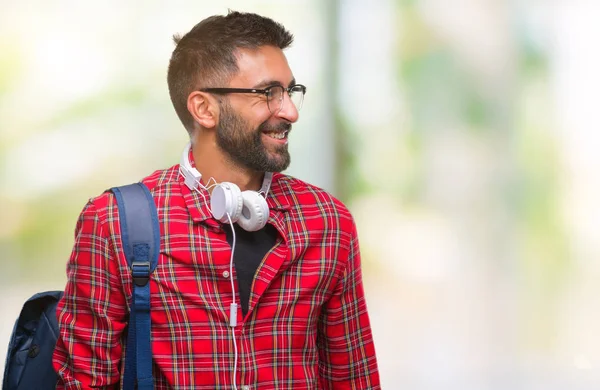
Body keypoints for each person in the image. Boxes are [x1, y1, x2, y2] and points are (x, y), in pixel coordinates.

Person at [52, 10, 380, 389]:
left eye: (290, 92)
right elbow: (84, 383)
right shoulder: (114, 223)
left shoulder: (327, 221)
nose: (289, 110)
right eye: (268, 93)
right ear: (204, 108)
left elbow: (354, 380)